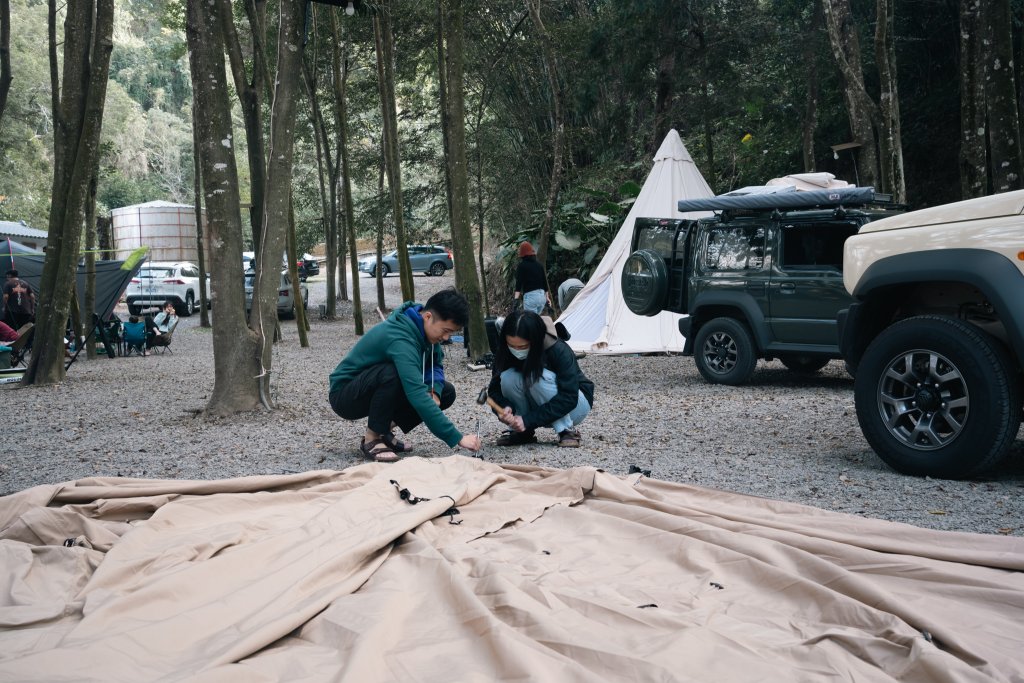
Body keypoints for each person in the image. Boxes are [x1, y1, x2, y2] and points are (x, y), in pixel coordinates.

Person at [328, 287, 482, 462]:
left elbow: (435, 364)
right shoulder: (401, 337)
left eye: (451, 333)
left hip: (372, 386)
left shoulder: (426, 332)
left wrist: (435, 392)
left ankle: (383, 429)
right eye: (445, 330)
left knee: (446, 391)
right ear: (428, 317)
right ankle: (372, 438)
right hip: (345, 395)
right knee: (392, 373)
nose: (446, 338)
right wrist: (457, 437)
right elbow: (416, 393)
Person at [487, 309, 594, 448]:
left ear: (536, 340)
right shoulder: (504, 352)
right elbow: (494, 390)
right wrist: (504, 408)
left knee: (534, 376)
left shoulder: (558, 349)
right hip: (539, 405)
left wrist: (528, 420)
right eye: (511, 345)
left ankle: (567, 430)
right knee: (508, 377)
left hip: (574, 406)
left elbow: (569, 397)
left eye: (523, 346)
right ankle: (521, 432)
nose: (516, 350)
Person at [513, 241, 549, 315]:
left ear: (522, 255)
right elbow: (545, 283)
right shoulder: (539, 265)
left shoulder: (521, 266)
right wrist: (547, 299)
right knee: (536, 320)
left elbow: (518, 284)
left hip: (531, 298)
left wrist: (516, 299)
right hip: (542, 297)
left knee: (531, 323)